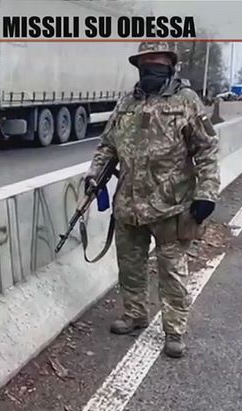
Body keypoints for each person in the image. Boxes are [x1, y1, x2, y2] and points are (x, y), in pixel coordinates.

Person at [82, 41, 220, 358]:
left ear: (170, 65)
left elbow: (207, 149)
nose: (150, 68)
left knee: (172, 272)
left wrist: (207, 193)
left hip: (171, 205)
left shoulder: (187, 101)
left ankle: (174, 330)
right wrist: (94, 175)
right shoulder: (126, 103)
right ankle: (135, 314)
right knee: (130, 267)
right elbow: (107, 146)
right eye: (145, 63)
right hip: (129, 204)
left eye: (157, 62)